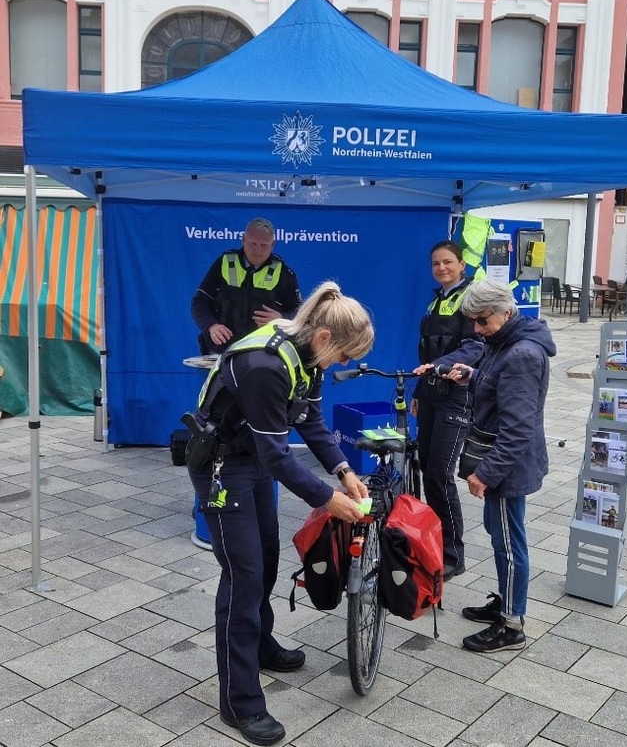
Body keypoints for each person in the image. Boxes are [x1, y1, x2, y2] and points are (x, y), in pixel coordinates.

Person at [186, 281, 373, 745]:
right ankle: (239, 703)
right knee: (243, 578)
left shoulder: (307, 355)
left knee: (266, 561)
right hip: (223, 469)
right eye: (345, 357)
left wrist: (343, 469)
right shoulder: (264, 364)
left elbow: (309, 420)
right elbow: (277, 455)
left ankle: (261, 644)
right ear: (326, 337)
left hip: (252, 463)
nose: (343, 366)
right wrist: (328, 500)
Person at [451, 280, 556, 653]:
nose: (477, 329)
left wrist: (485, 474)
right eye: (473, 323)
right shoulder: (506, 344)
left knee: (510, 544)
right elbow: (502, 388)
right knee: (500, 534)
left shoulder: (521, 354)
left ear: (505, 311)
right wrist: (473, 375)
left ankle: (511, 625)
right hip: (504, 462)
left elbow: (517, 429)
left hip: (507, 465)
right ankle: (506, 601)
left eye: (482, 321)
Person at [411, 240, 483, 581]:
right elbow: (424, 350)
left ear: (461, 264)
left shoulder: (470, 300)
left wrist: (438, 367)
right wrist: (419, 388)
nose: (441, 268)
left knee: (440, 474)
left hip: (456, 396)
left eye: (447, 262)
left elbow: (475, 346)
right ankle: (433, 541)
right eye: (436, 263)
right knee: (427, 470)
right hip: (430, 394)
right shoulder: (436, 299)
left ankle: (454, 554)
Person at [191, 217, 302, 354]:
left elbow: (300, 312)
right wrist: (211, 326)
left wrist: (282, 318)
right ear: (243, 239)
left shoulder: (284, 273)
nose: (258, 250)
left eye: (264, 245)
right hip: (222, 349)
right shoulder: (225, 263)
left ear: (273, 244)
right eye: (253, 243)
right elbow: (199, 302)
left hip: (264, 351)